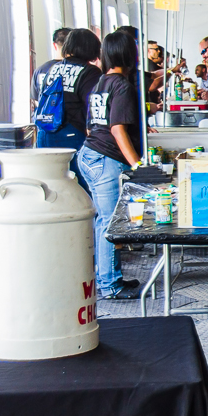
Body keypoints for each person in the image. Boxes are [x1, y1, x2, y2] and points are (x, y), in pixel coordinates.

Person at [79, 31, 145, 300]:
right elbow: (118, 130)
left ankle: (108, 277)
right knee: (110, 223)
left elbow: (90, 127)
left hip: (89, 155)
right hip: (106, 159)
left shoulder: (100, 83)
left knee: (103, 221)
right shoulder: (122, 86)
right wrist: (137, 165)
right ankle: (110, 286)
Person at [32, 29, 103, 188]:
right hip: (72, 135)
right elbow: (93, 107)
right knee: (82, 185)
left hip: (45, 132)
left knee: (54, 184)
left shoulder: (53, 68)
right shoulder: (90, 72)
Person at [31, 27, 72, 111]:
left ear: (54, 45)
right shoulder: (76, 70)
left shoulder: (40, 70)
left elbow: (36, 101)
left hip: (45, 117)